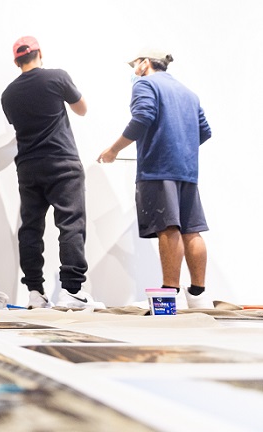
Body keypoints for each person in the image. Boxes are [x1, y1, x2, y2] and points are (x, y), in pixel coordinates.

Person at [97, 48, 213, 308]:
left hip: (158, 169)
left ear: (145, 63)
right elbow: (204, 131)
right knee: (192, 229)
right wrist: (181, 146)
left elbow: (143, 117)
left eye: (134, 64)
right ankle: (198, 297)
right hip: (187, 171)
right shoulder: (188, 93)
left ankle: (169, 295)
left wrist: (113, 150)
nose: (133, 70)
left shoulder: (145, 84)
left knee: (168, 227)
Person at [1, 36, 102, 309]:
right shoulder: (57, 77)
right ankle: (71, 290)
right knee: (70, 224)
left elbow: (19, 124)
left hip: (28, 168)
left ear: (16, 60)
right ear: (39, 53)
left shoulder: (8, 95)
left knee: (31, 229)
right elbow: (82, 109)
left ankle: (35, 293)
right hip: (62, 163)